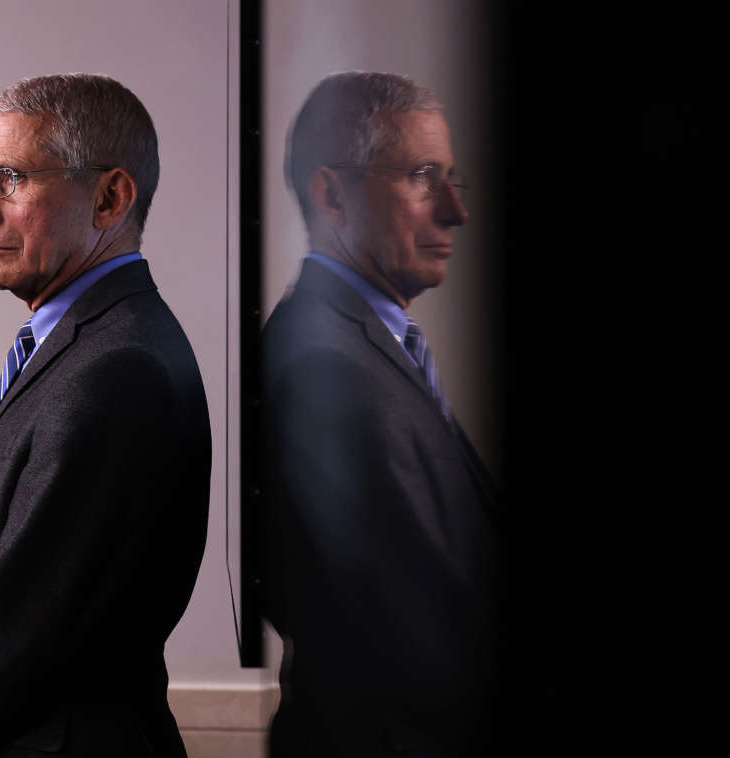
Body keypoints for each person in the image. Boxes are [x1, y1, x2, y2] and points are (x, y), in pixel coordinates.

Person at [0, 73, 211, 756]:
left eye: (13, 178)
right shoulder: (73, 348)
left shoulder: (119, 370)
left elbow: (11, 640)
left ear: (110, 197)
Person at [262, 71, 503, 756]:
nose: (455, 208)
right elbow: (424, 633)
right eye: (424, 176)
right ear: (333, 194)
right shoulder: (326, 367)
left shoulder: (364, 347)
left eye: (453, 178)